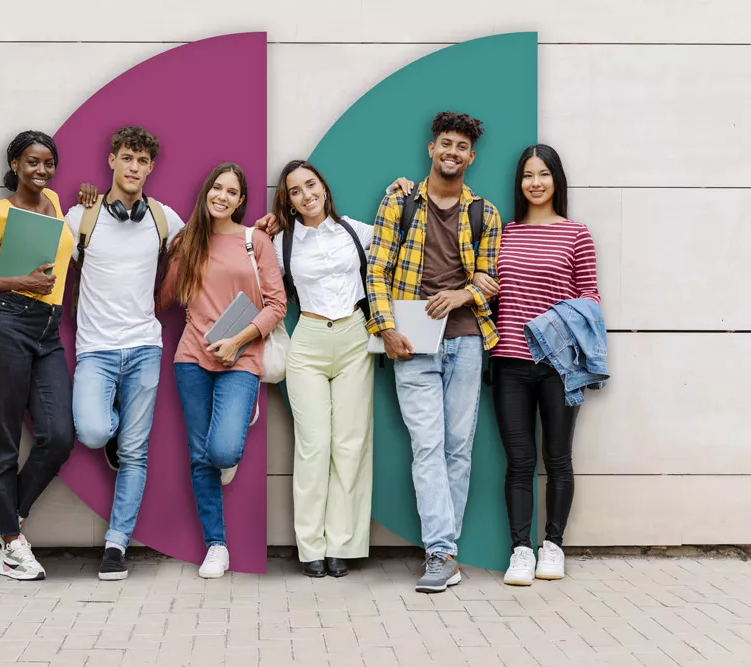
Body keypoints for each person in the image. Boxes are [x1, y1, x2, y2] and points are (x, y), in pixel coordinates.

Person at [256, 161, 413, 578]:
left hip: (354, 338)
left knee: (350, 444)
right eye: (295, 191)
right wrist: (260, 231)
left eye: (311, 185)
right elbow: (250, 272)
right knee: (313, 446)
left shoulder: (356, 232)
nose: (306, 194)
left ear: (324, 188)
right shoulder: (281, 243)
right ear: (288, 201)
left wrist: (397, 193)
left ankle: (342, 544)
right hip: (307, 341)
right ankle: (311, 546)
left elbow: (402, 239)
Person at [367, 112, 502, 593]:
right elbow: (376, 270)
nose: (452, 152)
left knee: (457, 448)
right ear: (432, 148)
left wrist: (463, 294)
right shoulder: (399, 202)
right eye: (446, 143)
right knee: (427, 447)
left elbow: (488, 281)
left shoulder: (485, 213)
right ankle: (441, 553)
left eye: (461, 147)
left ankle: (444, 553)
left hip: (466, 341)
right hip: (412, 343)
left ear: (471, 157)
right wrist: (385, 329)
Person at [473, 145, 601, 586]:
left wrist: (553, 324)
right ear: (520, 182)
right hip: (509, 360)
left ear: (556, 180)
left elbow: (590, 300)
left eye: (543, 174)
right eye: (528, 175)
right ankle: (521, 551)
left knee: (558, 458)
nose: (535, 182)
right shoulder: (504, 234)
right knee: (519, 461)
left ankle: (553, 546)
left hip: (560, 365)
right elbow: (487, 287)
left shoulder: (576, 234)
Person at [63, 126, 186, 581]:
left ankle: (116, 544)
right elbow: (39, 238)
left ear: (151, 168)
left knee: (135, 453)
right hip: (96, 349)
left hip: (144, 348)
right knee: (94, 432)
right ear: (112, 160)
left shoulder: (164, 218)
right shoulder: (81, 216)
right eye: (127, 158)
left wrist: (261, 232)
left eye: (142, 161)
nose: (134, 167)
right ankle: (114, 432)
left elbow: (207, 243)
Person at [0, 130, 76, 581]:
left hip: (47, 330)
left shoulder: (56, 203)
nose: (41, 170)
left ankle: (1, 516)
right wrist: (21, 281)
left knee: (59, 435)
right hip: (4, 326)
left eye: (48, 162)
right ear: (14, 164)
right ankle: (9, 544)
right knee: (3, 440)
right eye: (32, 162)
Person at [159, 163, 286, 579]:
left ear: (241, 200)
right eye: (217, 188)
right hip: (191, 359)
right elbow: (165, 297)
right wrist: (174, 253)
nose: (223, 196)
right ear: (206, 191)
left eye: (232, 192)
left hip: (240, 359)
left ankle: (237, 414)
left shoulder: (255, 240)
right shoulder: (188, 240)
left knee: (223, 452)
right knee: (201, 459)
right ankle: (217, 545)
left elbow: (277, 305)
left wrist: (236, 341)